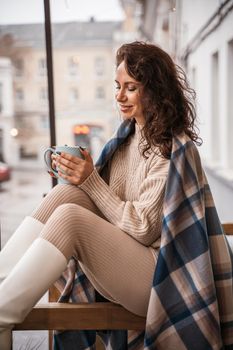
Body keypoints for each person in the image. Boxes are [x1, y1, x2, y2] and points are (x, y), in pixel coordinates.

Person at [0, 41, 232, 350]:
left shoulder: (173, 149)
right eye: (117, 86)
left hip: (161, 276)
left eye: (131, 88)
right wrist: (80, 178)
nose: (119, 96)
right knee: (67, 196)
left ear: (155, 90)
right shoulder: (126, 138)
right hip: (128, 261)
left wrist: (91, 180)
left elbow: (144, 228)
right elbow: (103, 203)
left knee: (71, 218)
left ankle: (1, 316)